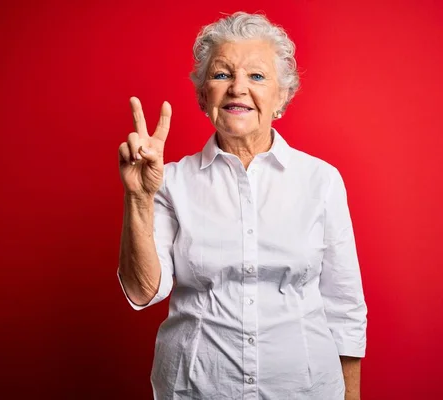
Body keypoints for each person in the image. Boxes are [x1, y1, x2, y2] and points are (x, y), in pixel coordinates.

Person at [117, 11, 367, 400]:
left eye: (256, 76)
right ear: (204, 95)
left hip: (304, 390)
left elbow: (345, 305)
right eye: (221, 75)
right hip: (194, 390)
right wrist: (139, 197)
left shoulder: (322, 180)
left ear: (281, 95)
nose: (237, 88)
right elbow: (144, 291)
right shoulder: (171, 181)